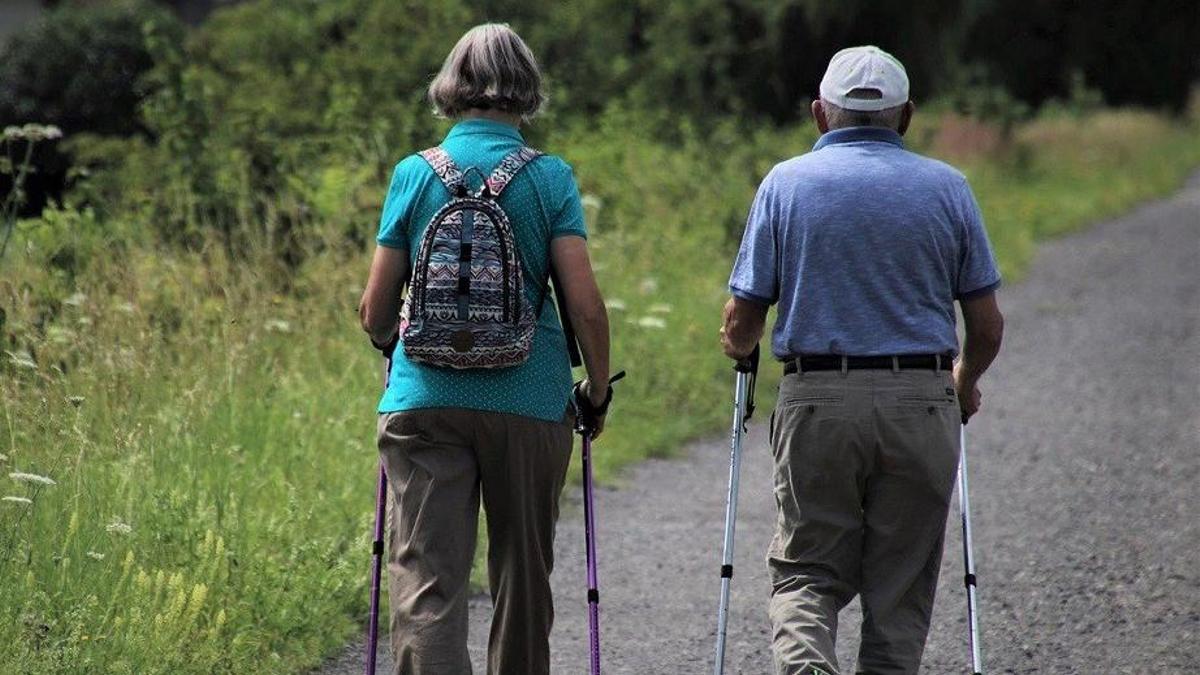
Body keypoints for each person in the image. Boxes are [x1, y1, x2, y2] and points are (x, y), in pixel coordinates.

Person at [720, 46, 1005, 674]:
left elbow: (742, 320)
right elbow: (985, 325)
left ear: (821, 113)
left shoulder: (785, 184)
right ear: (906, 116)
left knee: (805, 574)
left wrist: (738, 349)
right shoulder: (948, 188)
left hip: (818, 400)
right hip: (921, 399)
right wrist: (964, 380)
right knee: (899, 591)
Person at [358, 23, 612, 675]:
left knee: (427, 584)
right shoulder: (550, 178)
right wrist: (597, 390)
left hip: (425, 401)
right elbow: (584, 304)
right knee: (521, 580)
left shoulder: (413, 175)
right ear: (525, 91)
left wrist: (396, 347)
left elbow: (375, 310)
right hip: (529, 401)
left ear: (451, 89)